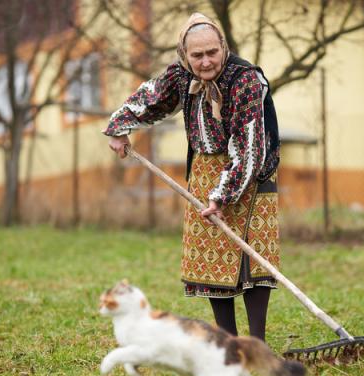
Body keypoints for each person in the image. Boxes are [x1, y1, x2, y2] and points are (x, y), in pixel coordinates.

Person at [103, 13, 280, 342]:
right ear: (185, 55)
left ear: (223, 47)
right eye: (197, 55)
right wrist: (120, 126)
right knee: (212, 264)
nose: (206, 61)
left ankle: (258, 344)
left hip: (250, 174)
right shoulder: (181, 75)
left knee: (253, 263)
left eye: (212, 52)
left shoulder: (245, 80)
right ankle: (228, 344)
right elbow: (151, 98)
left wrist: (222, 195)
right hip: (202, 172)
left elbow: (248, 148)